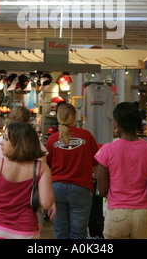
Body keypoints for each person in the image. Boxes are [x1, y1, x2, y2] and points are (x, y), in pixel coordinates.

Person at [0, 122, 54, 239]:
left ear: (19, 143)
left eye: (6, 139)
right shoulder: (41, 168)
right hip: (27, 230)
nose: (1, 142)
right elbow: (46, 203)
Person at [95, 102, 147, 239]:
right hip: (142, 214)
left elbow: (102, 191)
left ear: (117, 124)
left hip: (116, 214)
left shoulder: (107, 150)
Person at [46, 102, 99, 239]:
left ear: (58, 117)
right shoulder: (87, 136)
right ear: (75, 117)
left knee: (60, 233)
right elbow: (97, 164)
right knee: (78, 234)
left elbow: (48, 167)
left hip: (57, 189)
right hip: (81, 188)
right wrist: (95, 179)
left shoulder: (52, 139)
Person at [0, 106, 46, 180]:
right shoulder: (34, 141)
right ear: (28, 121)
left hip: (2, 188)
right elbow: (42, 166)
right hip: (28, 186)